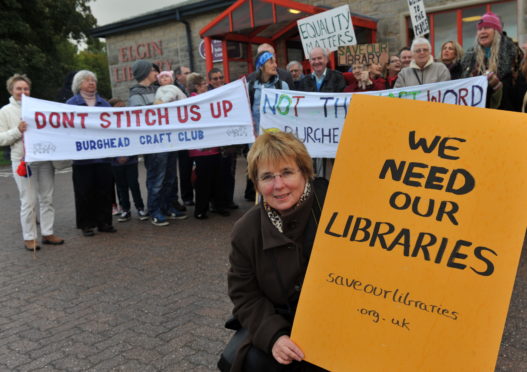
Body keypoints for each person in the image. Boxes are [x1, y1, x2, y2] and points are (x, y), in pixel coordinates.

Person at [221, 131, 328, 372]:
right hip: (281, 322)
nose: (278, 185)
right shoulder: (246, 230)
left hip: (339, 323)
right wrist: (275, 337)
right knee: (254, 362)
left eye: (287, 173)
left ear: (304, 172)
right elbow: (245, 295)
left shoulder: (335, 206)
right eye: (267, 177)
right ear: (256, 183)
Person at [0, 74, 64, 251]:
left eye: (25, 88)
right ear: (11, 90)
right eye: (19, 89)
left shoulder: (38, 107)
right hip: (22, 161)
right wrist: (17, 130)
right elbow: (1, 138)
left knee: (47, 198)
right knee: (28, 201)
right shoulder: (5, 111)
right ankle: (29, 237)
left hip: (43, 158)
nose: (23, 91)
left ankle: (47, 232)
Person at [66, 70, 116, 237]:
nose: (91, 83)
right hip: (82, 159)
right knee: (84, 192)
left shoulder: (105, 104)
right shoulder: (71, 104)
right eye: (87, 80)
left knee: (105, 190)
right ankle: (86, 224)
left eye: (93, 80)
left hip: (103, 157)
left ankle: (105, 222)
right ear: (78, 84)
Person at [187, 72, 230, 219]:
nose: (207, 85)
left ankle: (217, 204)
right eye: (204, 83)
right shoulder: (191, 101)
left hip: (213, 146)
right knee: (204, 180)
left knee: (217, 178)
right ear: (197, 86)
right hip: (200, 149)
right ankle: (201, 209)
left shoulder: (208, 98)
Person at [461, 11, 524, 111]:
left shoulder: (512, 53)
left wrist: (498, 86)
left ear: (496, 31)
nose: (482, 31)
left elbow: (519, 89)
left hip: (506, 113)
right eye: (480, 29)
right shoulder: (470, 58)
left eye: (487, 27)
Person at [109, 98, 148, 223]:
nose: (121, 110)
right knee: (121, 187)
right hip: (115, 162)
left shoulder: (130, 122)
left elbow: (135, 140)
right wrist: (116, 157)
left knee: (134, 185)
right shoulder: (108, 125)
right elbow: (107, 144)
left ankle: (140, 207)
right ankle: (125, 209)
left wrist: (129, 155)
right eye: (118, 108)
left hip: (130, 161)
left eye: (123, 107)